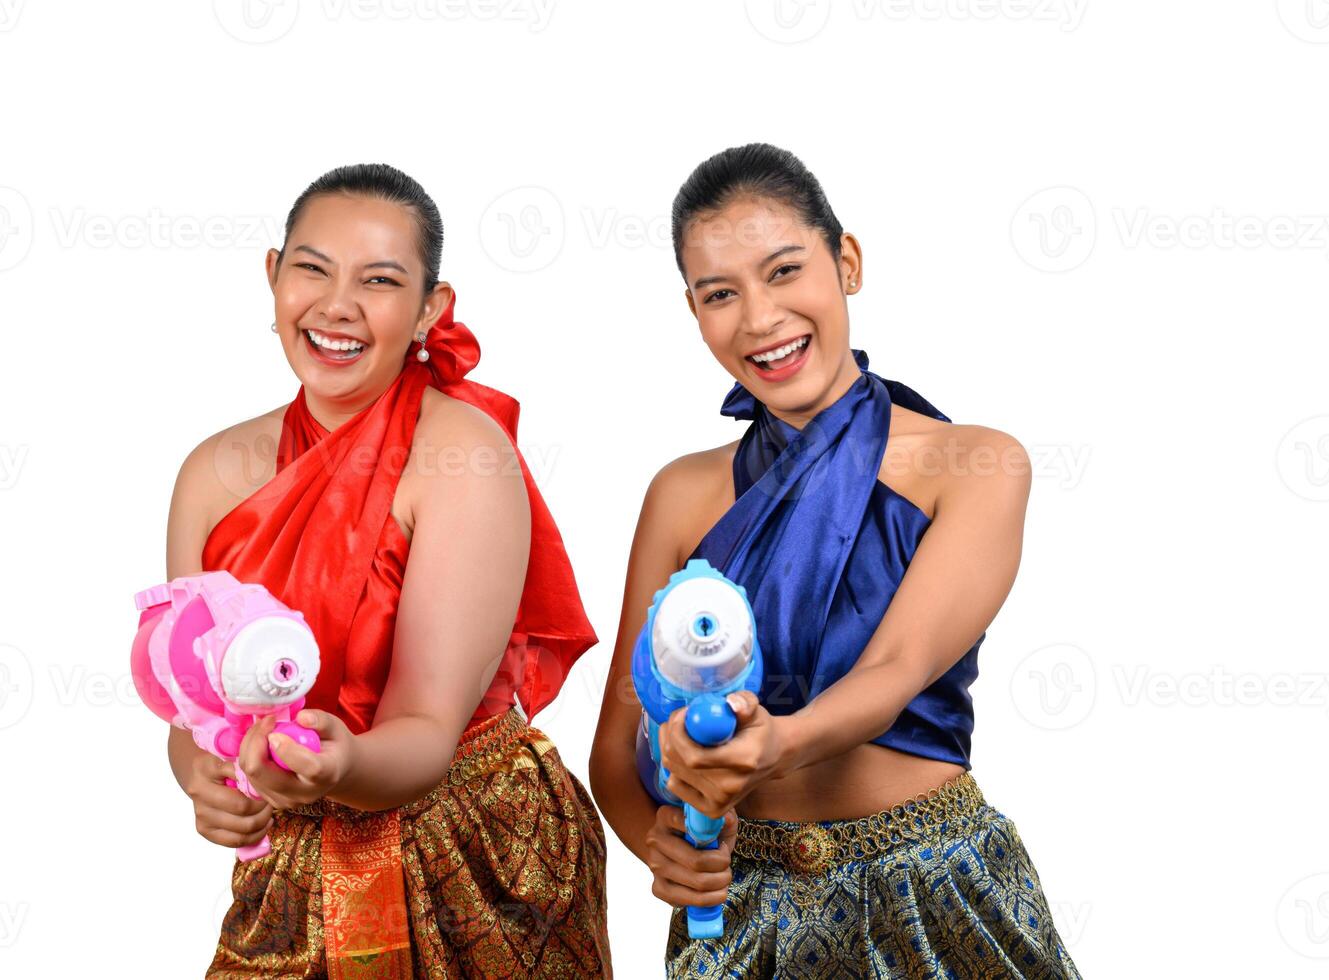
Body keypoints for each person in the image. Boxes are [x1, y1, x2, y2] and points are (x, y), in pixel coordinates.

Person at [588, 143, 1083, 979]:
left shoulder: (974, 465)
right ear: (694, 311)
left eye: (783, 271)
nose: (758, 318)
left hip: (935, 892)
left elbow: (895, 670)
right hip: (744, 911)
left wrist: (776, 743)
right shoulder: (680, 491)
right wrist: (660, 846)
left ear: (845, 262)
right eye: (720, 294)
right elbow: (616, 743)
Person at [162, 163, 612, 978]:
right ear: (272, 276)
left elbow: (424, 731)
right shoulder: (211, 473)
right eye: (312, 268)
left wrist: (341, 767)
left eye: (378, 280)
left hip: (475, 852)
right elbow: (189, 708)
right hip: (293, 865)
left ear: (428, 310)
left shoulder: (461, 456)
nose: (337, 305)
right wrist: (208, 780)